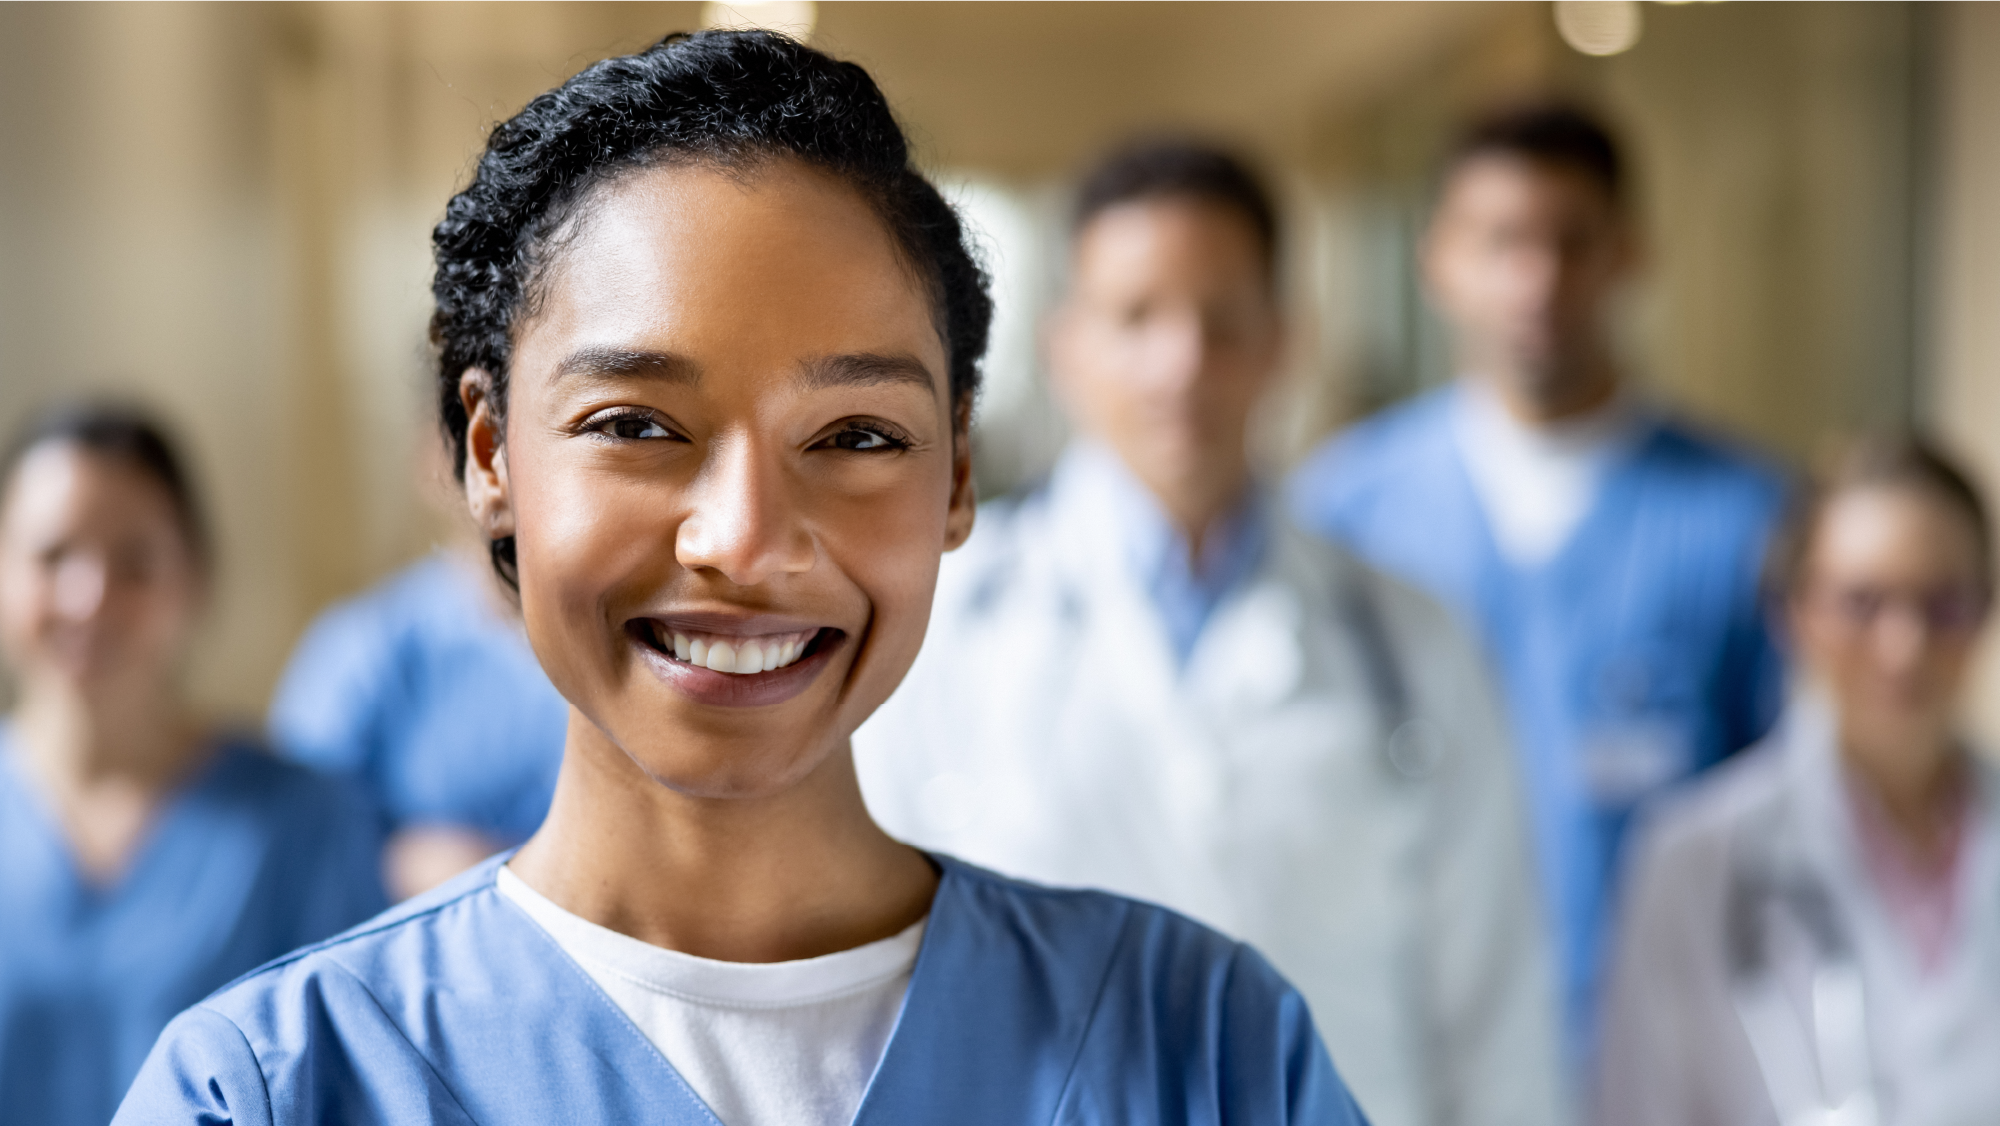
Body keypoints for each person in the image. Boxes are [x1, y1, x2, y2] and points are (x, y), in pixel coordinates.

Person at [113, 32, 1366, 1125]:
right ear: (489, 454)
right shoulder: (274, 1090)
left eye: (857, 438)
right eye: (637, 425)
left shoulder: (1208, 1051)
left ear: (956, 478)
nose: (747, 538)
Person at [855, 140, 1565, 1126]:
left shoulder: (1409, 644)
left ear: (1285, 339)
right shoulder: (942, 627)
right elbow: (867, 990)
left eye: (1221, 319)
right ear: (1063, 346)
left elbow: (1497, 1026)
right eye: (1135, 315)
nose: (1180, 362)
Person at [1288, 102, 1788, 1050]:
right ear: (1436, 259)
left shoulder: (1744, 520)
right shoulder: (1343, 515)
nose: (1538, 280)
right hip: (1405, 1058)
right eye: (1502, 242)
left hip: (1671, 1060)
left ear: (1630, 254)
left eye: (1572, 241)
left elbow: (1793, 821)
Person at [0, 404, 387, 1126]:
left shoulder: (304, 822)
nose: (89, 598)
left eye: (135, 562)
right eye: (52, 557)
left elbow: (350, 1090)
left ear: (195, 579)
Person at [1596, 437, 2000, 1126]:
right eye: (1861, 603)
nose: (1903, 647)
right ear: (1793, 613)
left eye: (1942, 604)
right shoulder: (1693, 863)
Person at [267, 437, 568, 899]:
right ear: (433, 458)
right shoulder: (363, 651)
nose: (507, 474)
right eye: (484, 444)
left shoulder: (643, 646)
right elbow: (299, 853)